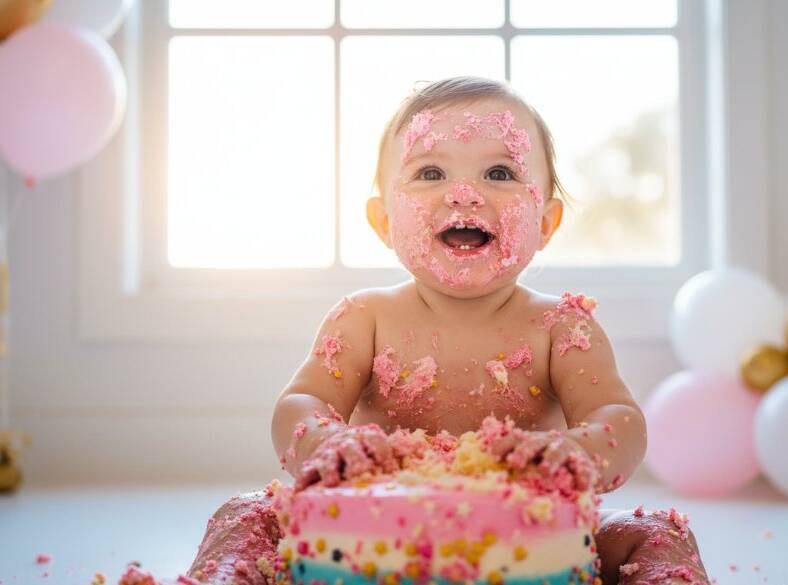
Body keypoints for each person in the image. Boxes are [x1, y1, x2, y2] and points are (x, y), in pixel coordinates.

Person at [186, 76, 709, 585]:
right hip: (369, 537)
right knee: (244, 513)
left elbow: (619, 418)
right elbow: (301, 402)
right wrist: (328, 443)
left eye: (499, 174)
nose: (464, 194)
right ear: (384, 222)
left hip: (530, 537)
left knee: (656, 532)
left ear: (546, 223)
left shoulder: (561, 327)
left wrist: (579, 454)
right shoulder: (363, 318)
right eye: (430, 172)